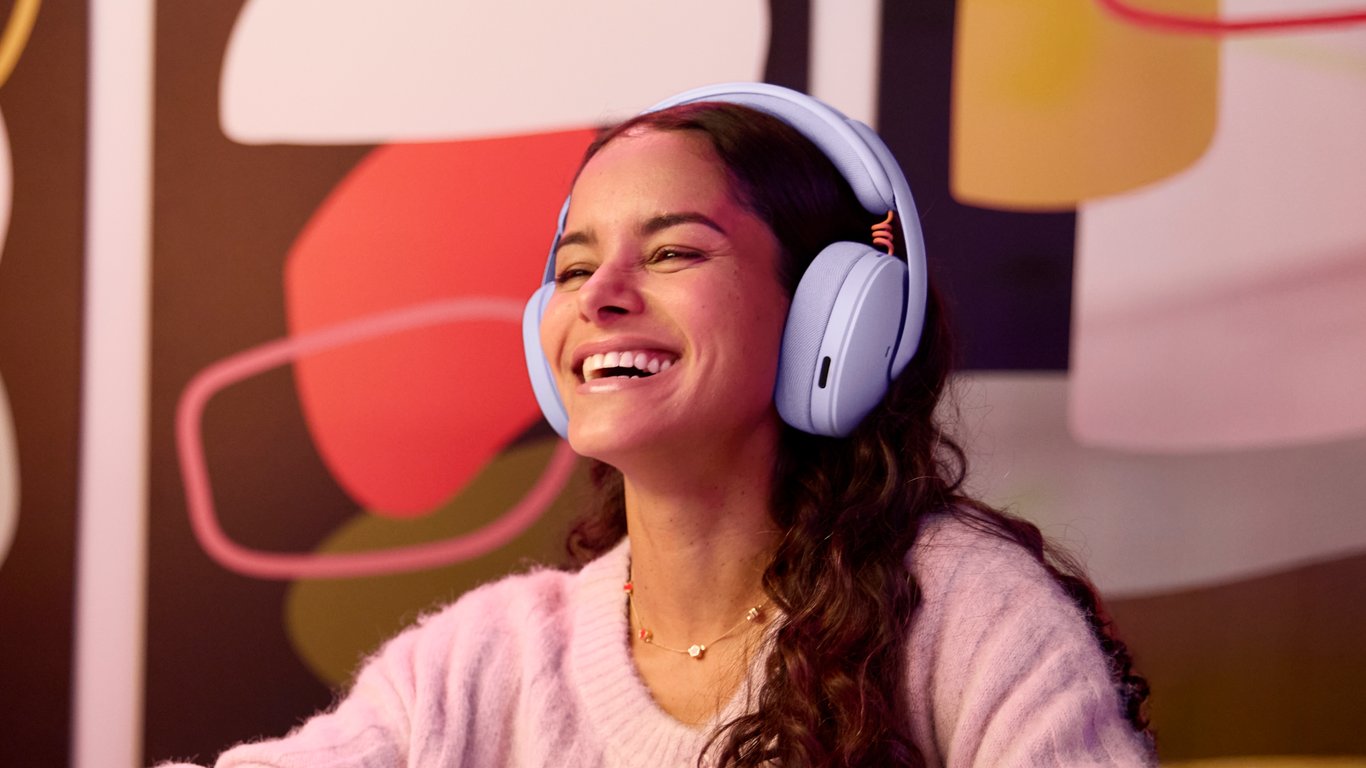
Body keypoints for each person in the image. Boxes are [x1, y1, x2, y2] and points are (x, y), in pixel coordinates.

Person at [160, 83, 1154, 767]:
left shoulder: (967, 615)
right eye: (574, 266)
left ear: (830, 316)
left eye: (674, 252)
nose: (602, 296)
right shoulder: (484, 662)